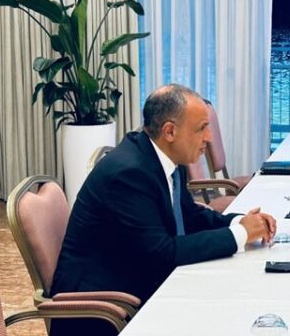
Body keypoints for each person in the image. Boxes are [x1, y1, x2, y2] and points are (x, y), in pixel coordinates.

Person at [50, 84, 276, 335]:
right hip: (103, 309)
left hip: (137, 280)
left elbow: (188, 215)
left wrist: (239, 222)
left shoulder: (164, 156)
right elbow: (162, 254)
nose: (209, 137)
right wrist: (241, 234)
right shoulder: (129, 173)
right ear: (170, 131)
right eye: (201, 128)